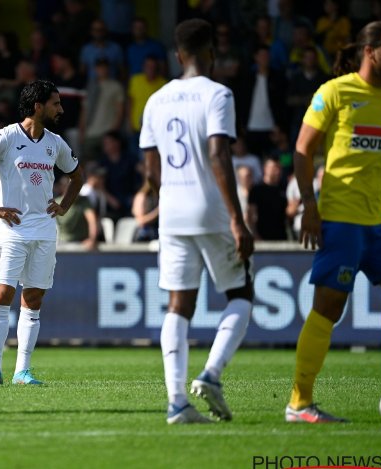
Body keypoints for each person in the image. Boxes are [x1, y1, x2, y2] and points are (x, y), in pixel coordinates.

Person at [286, 21, 381, 423]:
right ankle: (299, 403)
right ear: (370, 51)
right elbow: (303, 151)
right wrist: (310, 206)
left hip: (377, 224)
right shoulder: (334, 92)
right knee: (328, 308)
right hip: (339, 219)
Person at [140, 19, 255, 424]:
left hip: (171, 212)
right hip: (210, 208)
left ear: (177, 55)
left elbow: (151, 172)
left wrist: (161, 199)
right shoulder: (218, 93)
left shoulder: (155, 100)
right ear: (210, 52)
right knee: (241, 294)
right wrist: (238, 219)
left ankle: (177, 402)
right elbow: (219, 155)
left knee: (178, 305)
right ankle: (212, 374)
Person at [0, 80, 82, 385]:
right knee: (2, 294)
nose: (61, 109)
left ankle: (22, 371)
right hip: (12, 231)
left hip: (44, 231)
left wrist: (64, 205)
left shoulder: (55, 143)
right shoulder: (6, 137)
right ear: (38, 106)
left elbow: (77, 175)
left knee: (33, 299)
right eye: (55, 103)